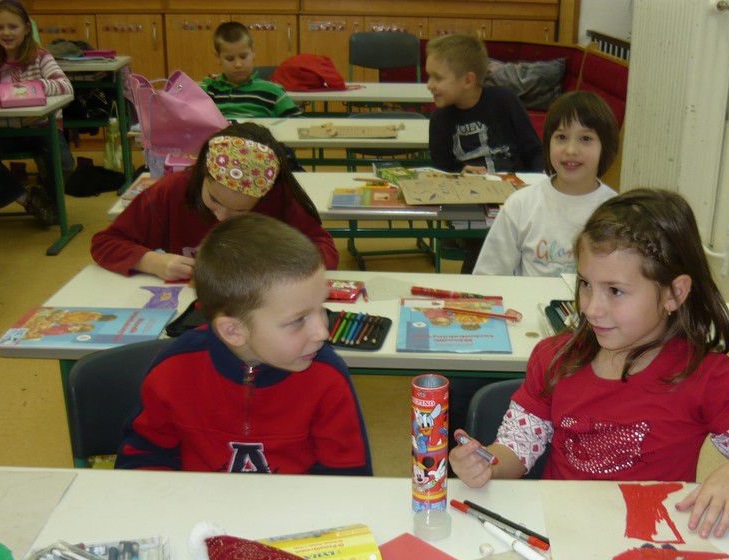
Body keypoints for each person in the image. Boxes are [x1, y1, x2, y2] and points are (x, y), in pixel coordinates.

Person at [450, 189, 729, 539]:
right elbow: (516, 449)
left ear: (674, 293)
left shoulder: (706, 377)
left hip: (650, 547)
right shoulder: (555, 358)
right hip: (559, 536)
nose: (591, 308)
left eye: (615, 291)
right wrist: (486, 464)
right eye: (585, 284)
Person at [116, 213, 372, 476]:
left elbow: (348, 477)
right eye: (298, 320)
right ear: (233, 331)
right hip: (195, 499)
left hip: (299, 501)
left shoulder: (327, 375)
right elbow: (143, 458)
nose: (322, 332)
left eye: (321, 308)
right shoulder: (173, 370)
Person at [91, 122, 338, 280]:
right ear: (202, 175)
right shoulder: (172, 191)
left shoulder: (278, 196)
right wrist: (152, 262)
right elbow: (105, 243)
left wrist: (276, 265)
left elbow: (324, 249)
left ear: (264, 194)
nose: (222, 217)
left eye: (240, 211)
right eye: (214, 200)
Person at [425, 32, 543, 275]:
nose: (429, 84)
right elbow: (440, 173)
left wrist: (535, 189)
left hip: (517, 203)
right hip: (472, 211)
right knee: (486, 248)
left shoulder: (504, 101)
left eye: (437, 77)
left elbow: (534, 151)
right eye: (429, 76)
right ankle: (476, 288)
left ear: (468, 81)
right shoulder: (440, 120)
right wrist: (459, 174)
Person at [473, 91, 620, 277]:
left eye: (585, 139)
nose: (571, 150)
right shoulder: (521, 205)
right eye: (561, 137)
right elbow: (488, 275)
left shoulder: (617, 213)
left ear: (605, 147)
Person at [0, 0, 74, 228]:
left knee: (64, 163)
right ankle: (27, 199)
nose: (6, 33)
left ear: (26, 29)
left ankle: (48, 201)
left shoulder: (41, 57)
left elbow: (65, 86)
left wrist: (32, 88)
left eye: (13, 27)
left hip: (41, 128)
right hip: (3, 130)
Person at [200, 22, 300, 119]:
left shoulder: (273, 92)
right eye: (230, 59)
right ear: (218, 57)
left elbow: (297, 123)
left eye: (243, 57)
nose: (238, 65)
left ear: (253, 52)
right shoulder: (208, 89)